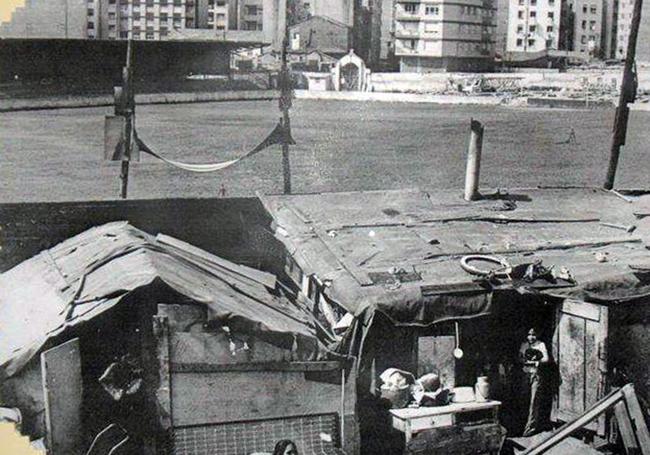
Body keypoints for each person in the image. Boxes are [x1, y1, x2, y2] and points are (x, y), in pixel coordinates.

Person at [519, 327, 549, 436]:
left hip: (536, 375)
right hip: (525, 374)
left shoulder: (541, 345)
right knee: (524, 400)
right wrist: (524, 360)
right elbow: (519, 358)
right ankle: (521, 426)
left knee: (534, 401)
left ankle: (530, 429)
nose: (531, 337)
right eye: (529, 334)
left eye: (533, 334)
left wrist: (537, 361)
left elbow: (546, 359)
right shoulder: (524, 345)